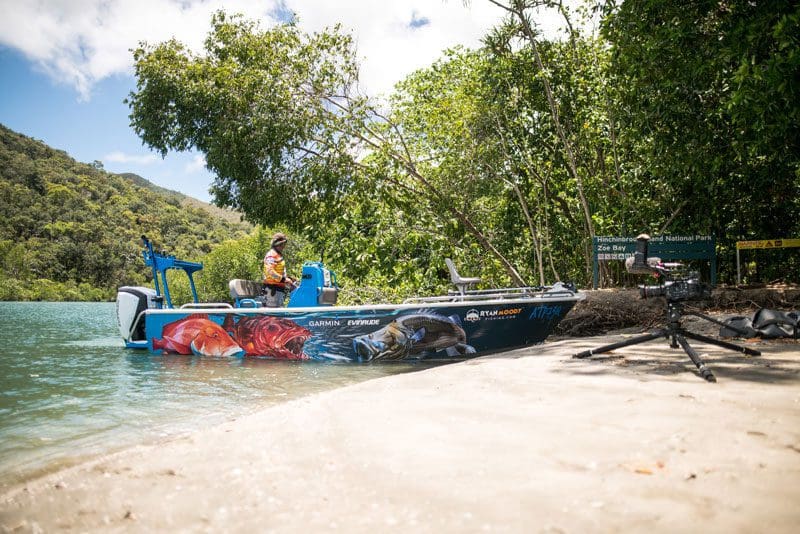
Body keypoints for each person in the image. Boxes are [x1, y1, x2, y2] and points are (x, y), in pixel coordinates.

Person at [262, 232, 296, 307]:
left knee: (279, 312)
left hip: (278, 289)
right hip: (272, 289)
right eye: (282, 244)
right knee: (273, 313)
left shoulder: (278, 255)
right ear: (277, 244)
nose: (284, 246)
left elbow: (279, 271)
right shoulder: (271, 255)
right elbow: (270, 272)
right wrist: (284, 280)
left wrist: (289, 278)